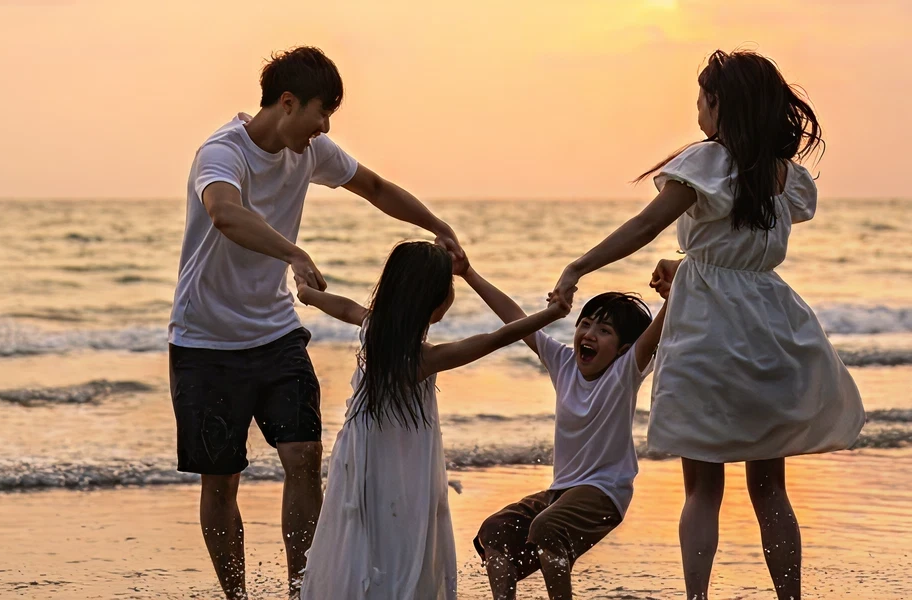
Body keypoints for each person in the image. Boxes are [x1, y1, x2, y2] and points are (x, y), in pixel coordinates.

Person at [550, 50, 865, 599]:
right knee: (769, 488)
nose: (697, 111)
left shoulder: (706, 160)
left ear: (720, 104)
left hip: (707, 334)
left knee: (703, 488)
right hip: (773, 328)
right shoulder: (782, 173)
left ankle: (697, 597)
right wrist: (692, 264)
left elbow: (648, 223)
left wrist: (580, 266)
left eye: (702, 99)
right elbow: (739, 250)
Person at [168, 46, 464, 599]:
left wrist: (437, 222)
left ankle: (303, 590)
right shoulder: (221, 153)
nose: (325, 126)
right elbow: (224, 213)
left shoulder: (312, 152)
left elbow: (375, 188)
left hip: (277, 332)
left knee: (304, 459)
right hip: (205, 341)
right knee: (221, 481)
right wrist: (295, 255)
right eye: (321, 112)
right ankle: (238, 597)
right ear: (287, 103)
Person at [297, 241, 571, 599]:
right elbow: (497, 338)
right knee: (402, 534)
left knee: (365, 531)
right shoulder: (422, 359)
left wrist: (306, 294)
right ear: (435, 300)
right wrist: (553, 313)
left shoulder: (375, 330)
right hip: (400, 463)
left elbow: (346, 307)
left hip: (360, 454)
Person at [466, 260, 666, 600]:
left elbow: (652, 337)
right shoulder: (563, 363)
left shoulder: (625, 372)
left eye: (604, 331)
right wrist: (468, 273)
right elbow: (515, 318)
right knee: (494, 530)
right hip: (560, 492)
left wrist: (674, 291)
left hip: (605, 491)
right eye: (585, 324)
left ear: (623, 349)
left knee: (547, 527)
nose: (588, 334)